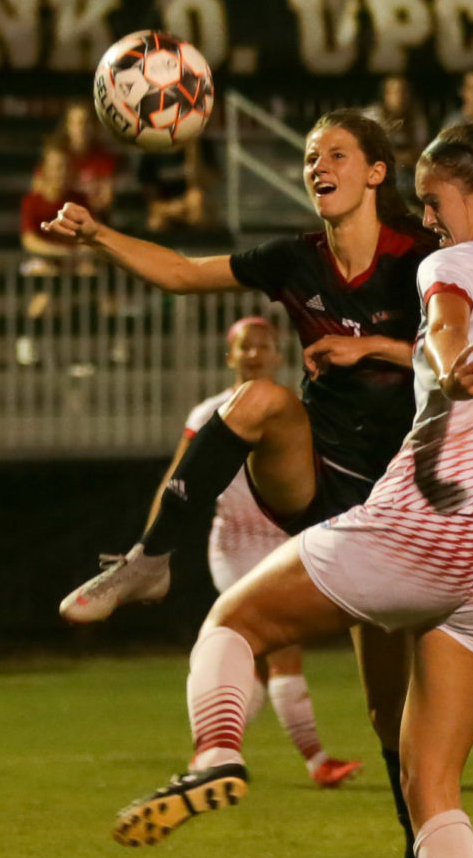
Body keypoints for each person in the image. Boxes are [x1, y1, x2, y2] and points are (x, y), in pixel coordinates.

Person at [111, 120, 473, 858]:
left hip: (428, 519)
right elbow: (457, 345)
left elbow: (443, 329)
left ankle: (216, 753)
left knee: (233, 624)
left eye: (438, 202)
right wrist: (424, 360)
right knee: (431, 776)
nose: (431, 222)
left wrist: (439, 371)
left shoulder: (446, 268)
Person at [42, 109, 432, 858]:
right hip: (318, 479)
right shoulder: (296, 258)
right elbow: (183, 273)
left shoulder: (422, 260)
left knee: (391, 720)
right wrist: (99, 233)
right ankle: (149, 559)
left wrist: (375, 351)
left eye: (335, 153)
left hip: (399, 506)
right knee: (254, 403)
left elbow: (462, 356)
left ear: (376, 172)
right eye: (307, 156)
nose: (317, 165)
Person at [151, 317, 360, 788]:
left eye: (264, 346)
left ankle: (208, 757)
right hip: (237, 543)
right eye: (246, 347)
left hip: (283, 540)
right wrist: (151, 547)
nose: (254, 354)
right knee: (284, 649)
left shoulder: (292, 411)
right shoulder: (209, 413)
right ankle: (318, 762)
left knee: (258, 669)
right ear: (230, 355)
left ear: (277, 355)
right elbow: (176, 480)